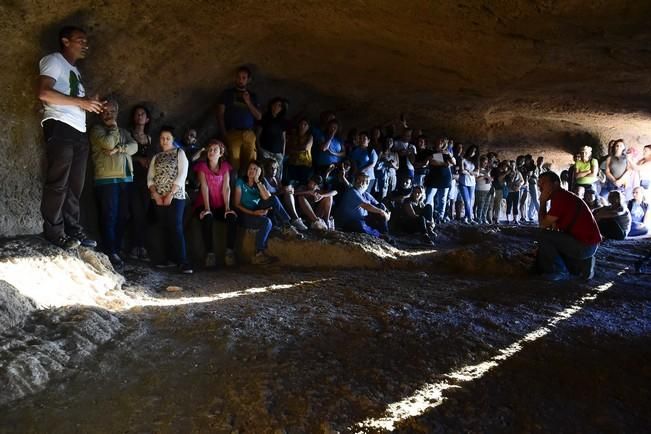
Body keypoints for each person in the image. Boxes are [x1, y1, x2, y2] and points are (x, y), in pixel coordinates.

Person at [37, 26, 103, 249]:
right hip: (59, 125)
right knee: (59, 182)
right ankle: (53, 231)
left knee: (75, 184)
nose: (85, 44)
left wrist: (89, 103)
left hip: (78, 129)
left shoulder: (75, 71)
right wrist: (81, 102)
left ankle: (74, 230)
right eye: (80, 39)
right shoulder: (54, 60)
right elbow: (44, 93)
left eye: (86, 40)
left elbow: (75, 100)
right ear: (65, 41)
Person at [89, 99, 137, 269]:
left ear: (117, 112)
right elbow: (108, 142)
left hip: (125, 178)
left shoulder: (123, 131)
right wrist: (113, 128)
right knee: (109, 215)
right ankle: (111, 251)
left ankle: (116, 248)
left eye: (111, 112)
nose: (108, 115)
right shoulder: (96, 130)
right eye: (105, 111)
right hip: (106, 179)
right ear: (100, 113)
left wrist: (118, 149)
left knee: (123, 215)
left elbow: (135, 147)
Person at [234, 160, 302, 265]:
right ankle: (259, 254)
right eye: (250, 168)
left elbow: (267, 197)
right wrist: (253, 213)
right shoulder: (240, 182)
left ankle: (287, 226)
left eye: (255, 169)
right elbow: (237, 204)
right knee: (267, 222)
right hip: (245, 214)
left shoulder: (260, 184)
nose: (251, 171)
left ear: (259, 172)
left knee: (273, 199)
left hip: (257, 209)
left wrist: (257, 181)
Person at [536, 171, 601, 280]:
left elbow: (543, 225)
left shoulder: (561, 198)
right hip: (587, 243)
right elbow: (554, 228)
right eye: (539, 184)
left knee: (543, 236)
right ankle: (583, 264)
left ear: (555, 184)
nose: (540, 187)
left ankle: (559, 271)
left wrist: (542, 203)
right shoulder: (562, 196)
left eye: (543, 183)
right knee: (549, 242)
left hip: (584, 245)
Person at [147, 126, 193, 274]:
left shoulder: (180, 153)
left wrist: (170, 194)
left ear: (173, 139)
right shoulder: (156, 156)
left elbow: (182, 174)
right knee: (162, 227)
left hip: (176, 197)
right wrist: (156, 195)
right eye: (162, 138)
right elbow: (150, 178)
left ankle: (183, 261)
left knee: (176, 226)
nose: (164, 141)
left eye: (167, 138)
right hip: (158, 198)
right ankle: (164, 259)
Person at [193, 139, 238, 268]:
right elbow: (204, 187)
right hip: (204, 203)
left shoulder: (225, 167)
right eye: (210, 150)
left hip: (220, 204)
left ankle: (230, 251)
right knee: (207, 217)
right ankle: (210, 254)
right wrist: (207, 208)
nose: (212, 152)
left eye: (215, 150)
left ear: (221, 153)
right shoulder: (202, 166)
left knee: (232, 216)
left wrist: (228, 207)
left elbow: (226, 187)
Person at [217, 66, 262, 173]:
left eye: (244, 78)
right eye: (238, 77)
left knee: (250, 165)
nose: (240, 80)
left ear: (248, 80)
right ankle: (233, 188)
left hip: (249, 133)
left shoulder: (253, 96)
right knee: (233, 164)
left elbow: (259, 116)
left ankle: (247, 188)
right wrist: (224, 134)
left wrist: (248, 102)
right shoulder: (227, 94)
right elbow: (220, 114)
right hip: (233, 133)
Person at [128, 105, 153, 260]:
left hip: (146, 178)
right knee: (134, 211)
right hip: (132, 176)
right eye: (137, 114)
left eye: (142, 114)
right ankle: (134, 247)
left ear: (147, 119)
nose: (139, 116)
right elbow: (124, 154)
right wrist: (139, 159)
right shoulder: (128, 134)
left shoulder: (150, 138)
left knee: (143, 212)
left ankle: (141, 247)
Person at [334, 173, 391, 238]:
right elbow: (366, 205)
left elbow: (379, 205)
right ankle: (380, 235)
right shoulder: (352, 192)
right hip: (348, 222)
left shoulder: (365, 194)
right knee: (359, 225)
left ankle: (385, 233)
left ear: (367, 184)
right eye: (357, 180)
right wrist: (382, 212)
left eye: (362, 181)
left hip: (363, 219)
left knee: (380, 207)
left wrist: (387, 213)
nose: (359, 183)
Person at [262, 159, 308, 231]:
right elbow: (267, 197)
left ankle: (296, 219)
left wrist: (289, 190)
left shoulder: (276, 179)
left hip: (281, 202)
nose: (274, 170)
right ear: (266, 168)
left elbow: (282, 190)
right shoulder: (263, 180)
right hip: (271, 205)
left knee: (289, 194)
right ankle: (295, 220)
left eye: (276, 168)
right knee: (285, 194)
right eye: (271, 168)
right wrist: (282, 191)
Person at [424, 138, 455, 222]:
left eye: (441, 142)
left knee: (443, 198)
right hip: (434, 177)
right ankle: (429, 215)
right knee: (429, 197)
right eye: (438, 141)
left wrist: (449, 155)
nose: (439, 143)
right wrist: (445, 163)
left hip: (445, 178)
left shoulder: (447, 152)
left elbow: (454, 162)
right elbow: (433, 162)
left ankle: (440, 216)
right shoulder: (431, 151)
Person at [258, 97, 288, 181]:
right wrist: (259, 148)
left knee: (277, 174)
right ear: (271, 105)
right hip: (265, 151)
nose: (276, 107)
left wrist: (283, 153)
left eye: (279, 106)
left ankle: (277, 191)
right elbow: (258, 134)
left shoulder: (282, 121)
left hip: (278, 153)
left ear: (281, 108)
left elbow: (284, 138)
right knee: (264, 172)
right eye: (275, 105)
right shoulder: (265, 118)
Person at [286, 118, 313, 186]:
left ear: (308, 127)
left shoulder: (309, 136)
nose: (302, 126)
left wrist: (294, 149)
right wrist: (299, 149)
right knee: (291, 183)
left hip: (305, 163)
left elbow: (306, 147)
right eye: (301, 124)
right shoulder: (293, 136)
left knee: (302, 184)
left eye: (305, 124)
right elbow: (288, 149)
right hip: (293, 163)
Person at [374, 137, 399, 201]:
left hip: (392, 175)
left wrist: (392, 164)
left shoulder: (395, 154)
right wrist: (384, 161)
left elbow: (397, 167)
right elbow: (376, 165)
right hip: (383, 175)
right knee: (382, 193)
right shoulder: (381, 152)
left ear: (393, 143)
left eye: (391, 141)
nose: (389, 143)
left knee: (391, 192)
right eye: (387, 141)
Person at [504, 160, 524, 224]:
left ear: (515, 165)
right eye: (511, 165)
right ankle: (508, 220)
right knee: (509, 205)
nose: (512, 166)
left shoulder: (518, 173)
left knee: (515, 205)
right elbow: (509, 181)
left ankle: (515, 219)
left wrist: (519, 185)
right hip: (509, 191)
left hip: (516, 191)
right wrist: (512, 175)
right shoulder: (507, 173)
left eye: (513, 165)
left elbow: (522, 181)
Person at [474, 155, 492, 224]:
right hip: (480, 189)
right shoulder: (477, 169)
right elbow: (476, 179)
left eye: (486, 163)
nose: (485, 164)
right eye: (484, 162)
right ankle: (479, 219)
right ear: (480, 162)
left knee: (486, 205)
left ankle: (484, 218)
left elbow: (489, 179)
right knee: (480, 205)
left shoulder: (487, 170)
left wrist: (490, 179)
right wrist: (484, 176)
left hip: (488, 189)